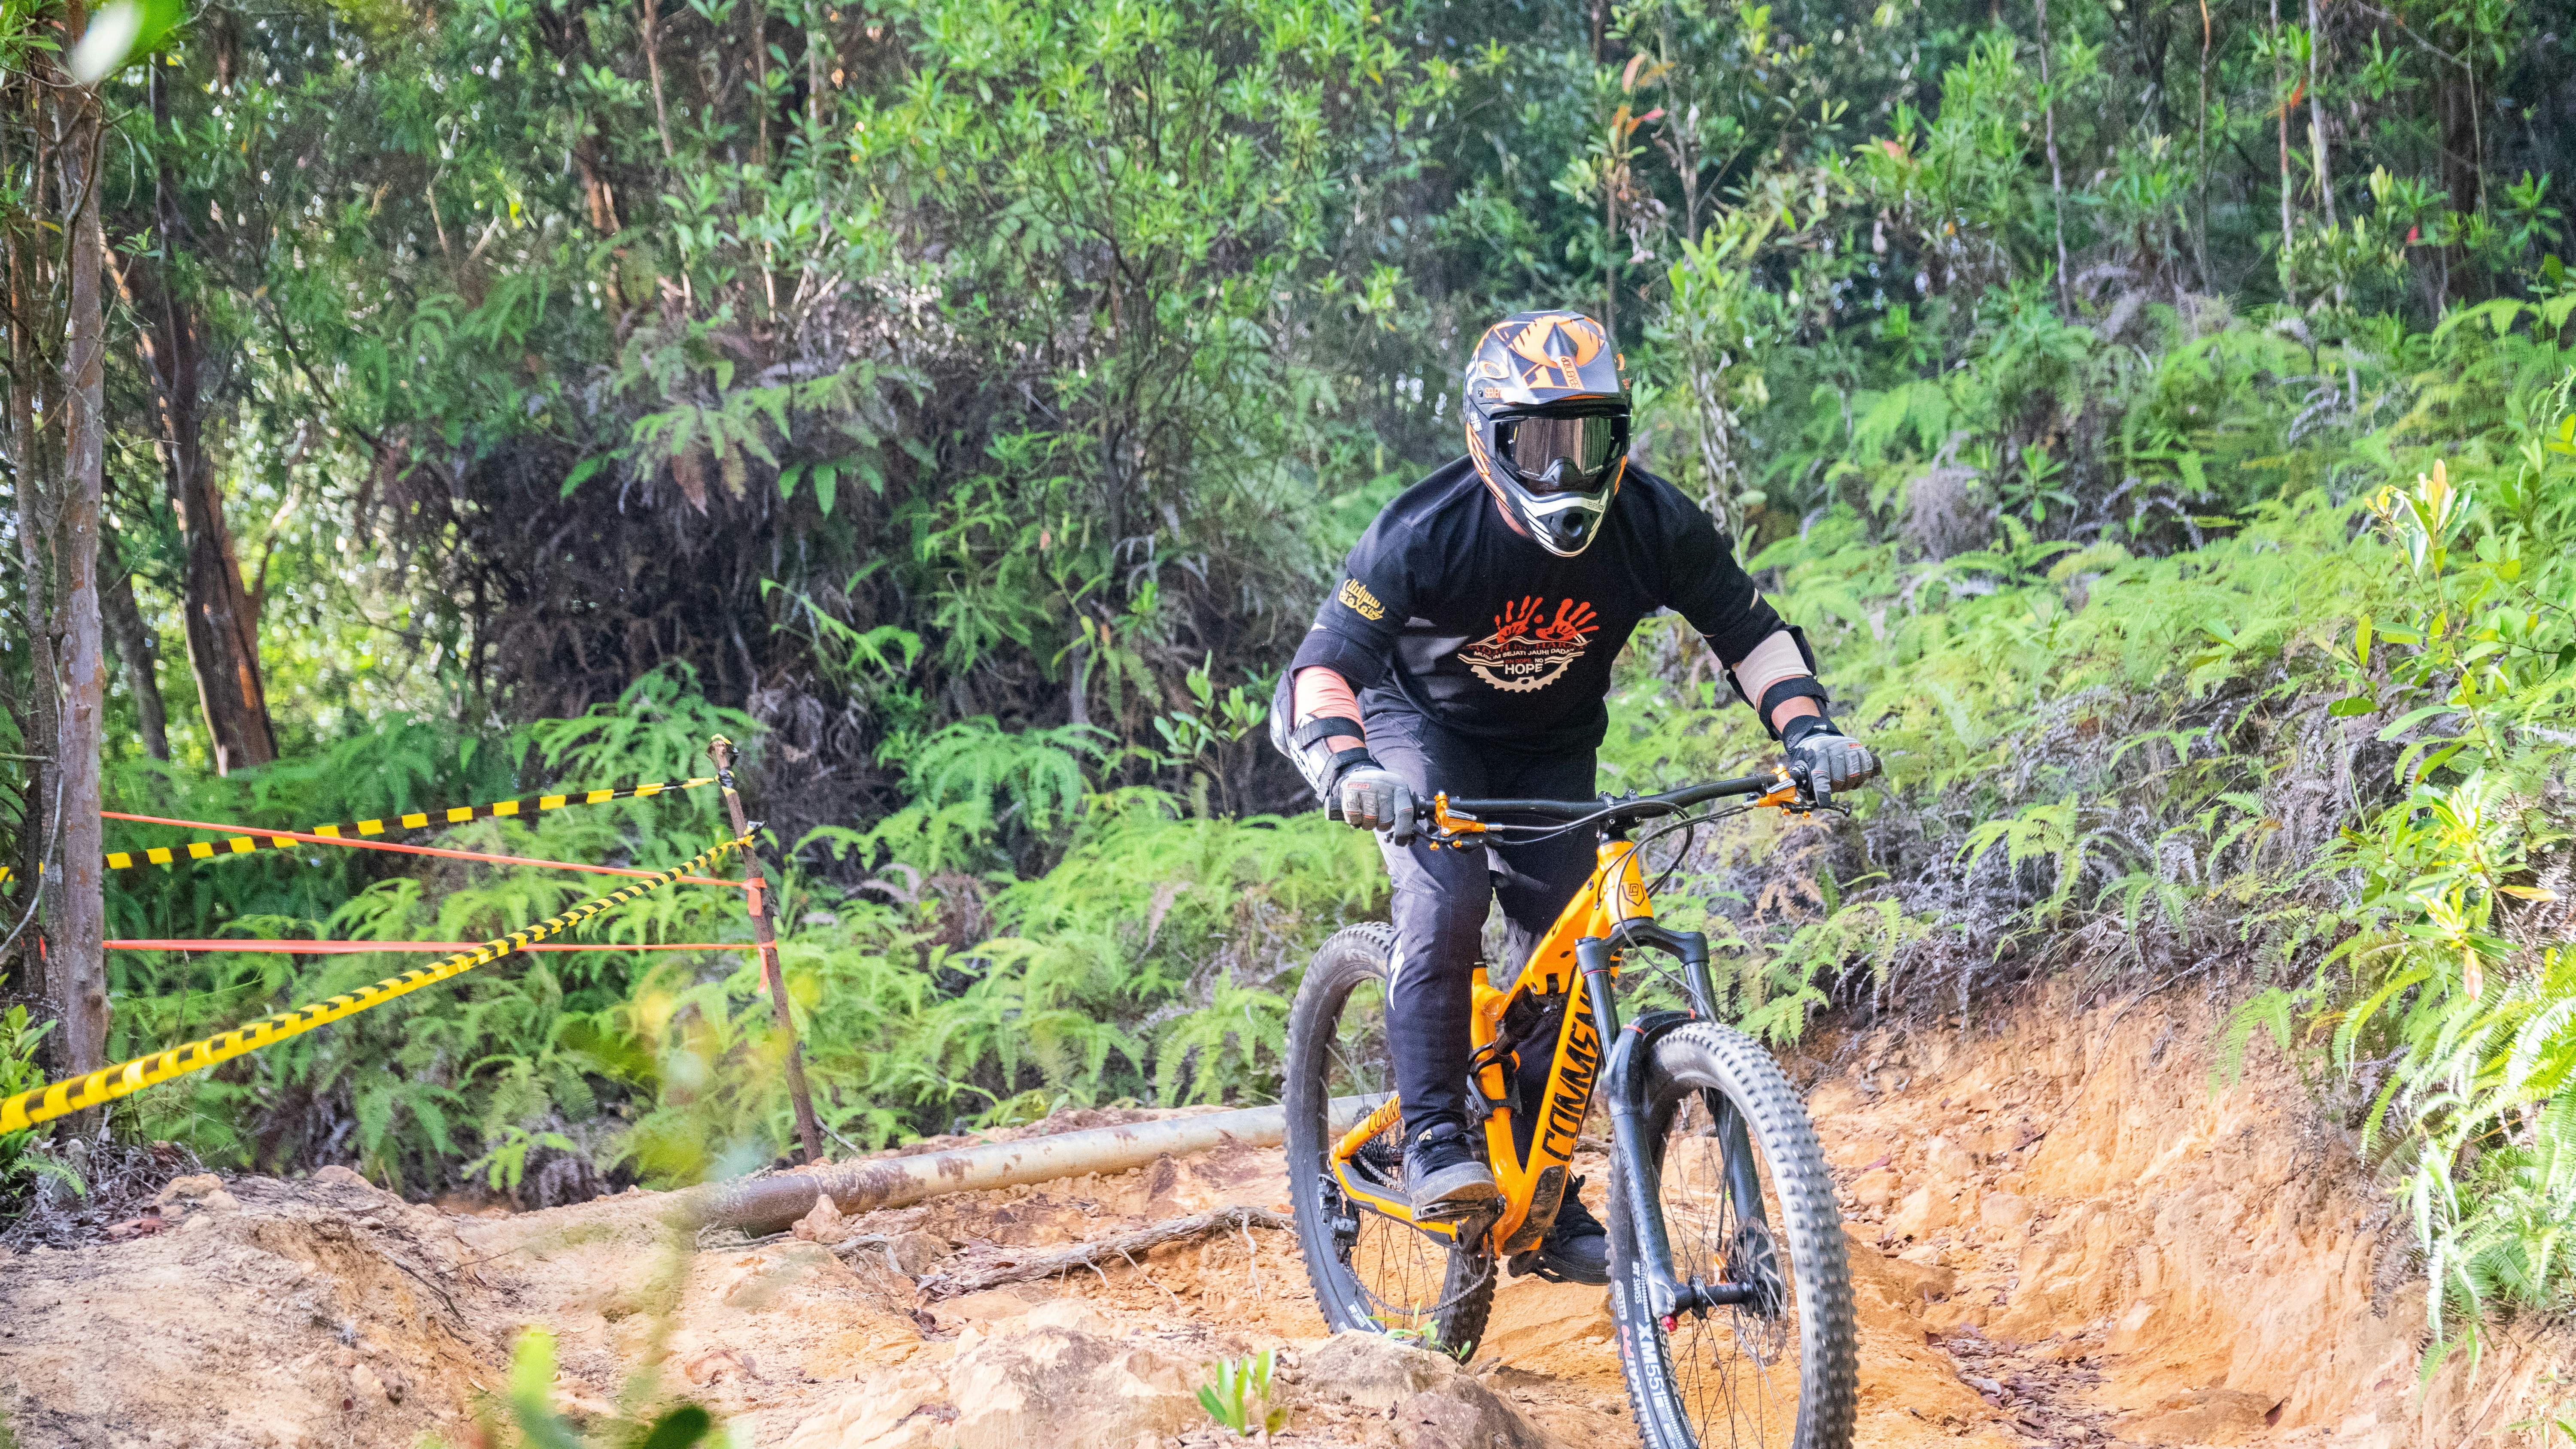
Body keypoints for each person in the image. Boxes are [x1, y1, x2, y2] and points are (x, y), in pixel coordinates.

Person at [1268, 309, 1877, 1284]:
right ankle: (1433, 1136)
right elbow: (1325, 666)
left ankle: (1541, 1199)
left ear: (1620, 440)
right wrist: (1349, 768)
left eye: (1587, 441)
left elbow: (1748, 630)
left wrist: (1807, 731)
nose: (1564, 468)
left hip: (1552, 748)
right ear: (1487, 439)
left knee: (1563, 945)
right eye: (1537, 443)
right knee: (1446, 898)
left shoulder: (1655, 521)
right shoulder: (1426, 530)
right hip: (1418, 729)